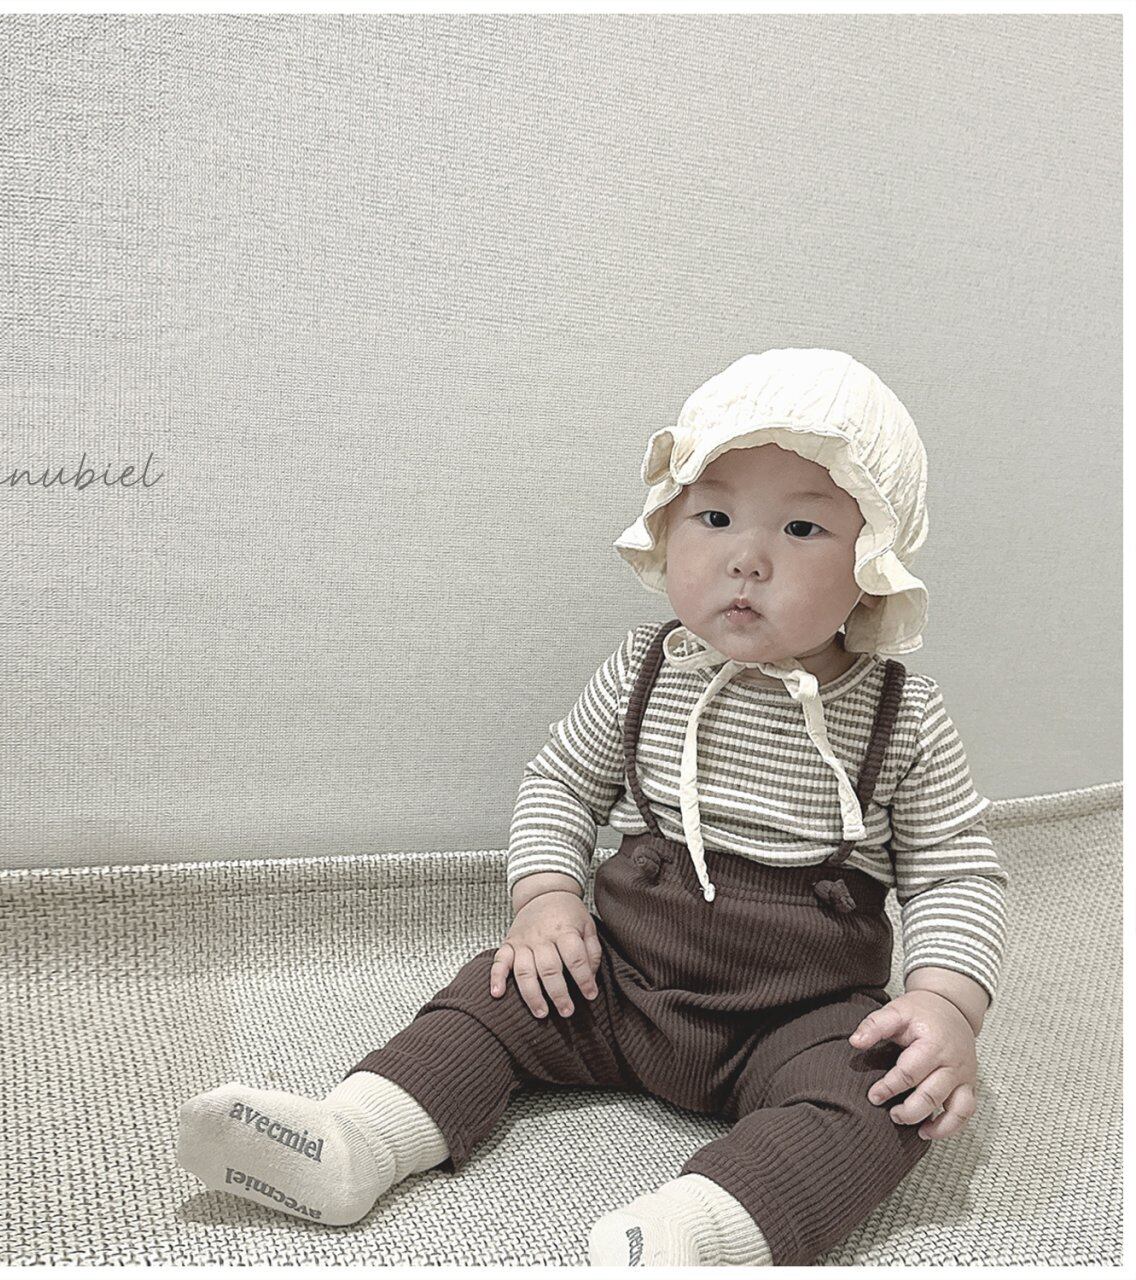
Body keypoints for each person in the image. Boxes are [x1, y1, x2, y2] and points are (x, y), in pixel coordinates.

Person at [176, 348, 1008, 1266]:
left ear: (874, 561)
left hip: (799, 1018)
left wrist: (944, 1004)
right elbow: (561, 784)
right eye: (715, 517)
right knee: (496, 994)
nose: (747, 558)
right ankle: (355, 1139)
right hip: (618, 982)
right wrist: (545, 899)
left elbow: (956, 872)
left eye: (803, 528)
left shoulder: (901, 716)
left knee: (892, 1095)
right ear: (668, 525)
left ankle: (711, 1228)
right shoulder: (645, 672)